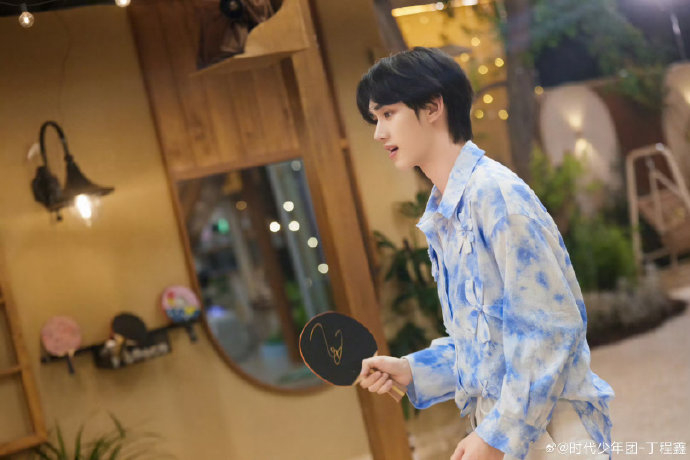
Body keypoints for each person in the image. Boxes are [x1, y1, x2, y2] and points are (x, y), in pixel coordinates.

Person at [355, 46, 615, 460]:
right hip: (507, 427)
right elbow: (485, 344)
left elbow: (550, 330)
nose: (378, 133)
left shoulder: (496, 195)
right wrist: (412, 370)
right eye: (376, 118)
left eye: (388, 113)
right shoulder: (446, 213)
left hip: (542, 429)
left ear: (433, 106)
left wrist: (498, 435)